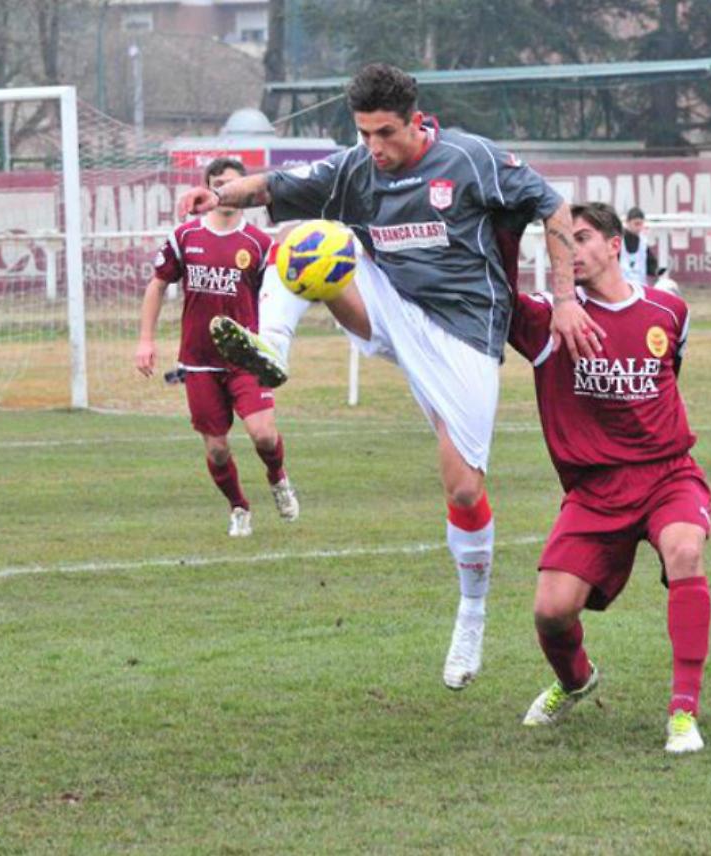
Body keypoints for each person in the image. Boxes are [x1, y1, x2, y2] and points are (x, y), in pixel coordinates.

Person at [177, 63, 603, 690]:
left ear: (415, 121)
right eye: (364, 133)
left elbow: (553, 207)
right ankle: (273, 349)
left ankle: (472, 612)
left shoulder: (470, 159)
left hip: (463, 332)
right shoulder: (356, 168)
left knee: (463, 489)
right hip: (387, 305)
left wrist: (564, 299)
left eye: (385, 133)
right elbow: (278, 186)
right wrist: (221, 198)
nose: (373, 147)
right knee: (308, 241)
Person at [508, 202, 711, 754]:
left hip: (668, 473)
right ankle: (576, 680)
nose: (569, 251)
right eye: (560, 242)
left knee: (685, 550)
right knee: (551, 612)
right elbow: (494, 291)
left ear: (614, 244)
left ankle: (683, 714)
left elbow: (670, 374)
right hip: (595, 489)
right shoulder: (545, 318)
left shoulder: (669, 311)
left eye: (580, 238)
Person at [136, 157, 300, 537]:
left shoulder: (260, 244)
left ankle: (278, 478)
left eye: (232, 183)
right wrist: (145, 340)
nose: (225, 189)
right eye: (218, 183)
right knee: (217, 450)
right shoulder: (185, 237)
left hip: (246, 358)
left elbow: (277, 298)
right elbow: (157, 285)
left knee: (263, 434)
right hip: (199, 361)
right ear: (207, 188)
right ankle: (239, 507)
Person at [620, 206, 659, 288]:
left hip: (641, 287)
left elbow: (652, 266)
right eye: (636, 224)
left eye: (641, 224)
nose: (639, 227)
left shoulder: (643, 243)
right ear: (627, 222)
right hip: (622, 288)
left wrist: (656, 272)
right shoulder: (618, 242)